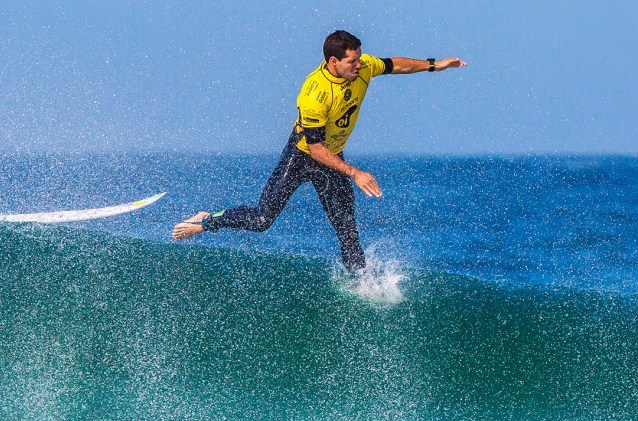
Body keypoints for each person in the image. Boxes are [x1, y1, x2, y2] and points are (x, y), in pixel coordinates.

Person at [172, 30, 466, 273]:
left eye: (360, 59)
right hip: (302, 156)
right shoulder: (315, 93)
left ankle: (360, 285)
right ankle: (207, 221)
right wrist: (355, 173)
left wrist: (434, 65)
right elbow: (315, 149)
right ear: (334, 61)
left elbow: (394, 64)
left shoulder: (363, 68)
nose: (359, 65)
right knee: (262, 220)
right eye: (352, 61)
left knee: (348, 232)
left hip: (332, 158)